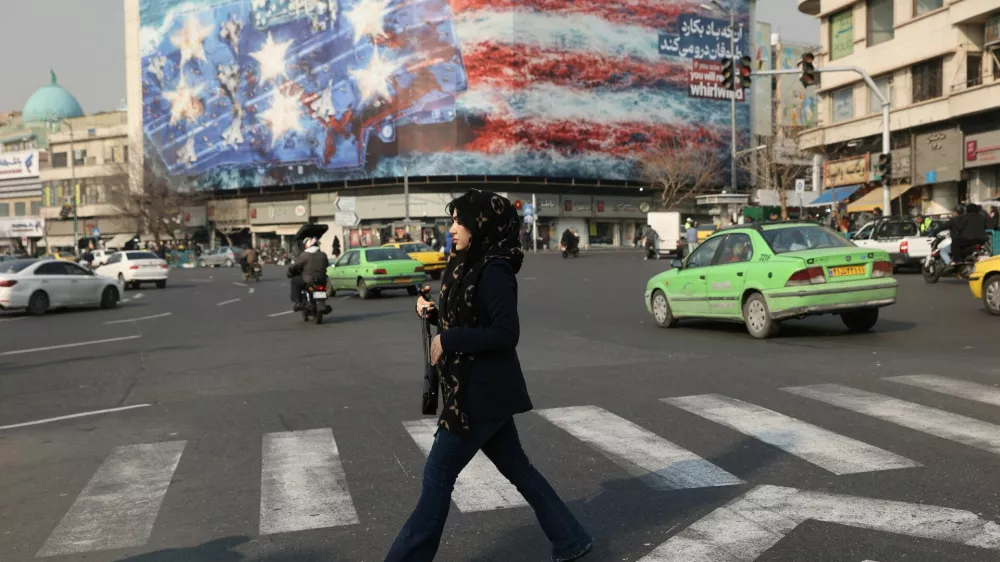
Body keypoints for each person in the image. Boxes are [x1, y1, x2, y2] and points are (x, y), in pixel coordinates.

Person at [387, 190, 592, 562]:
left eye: (458, 220)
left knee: (437, 478)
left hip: (478, 395)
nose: (452, 228)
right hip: (478, 391)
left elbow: (505, 333)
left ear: (480, 224)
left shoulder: (495, 269)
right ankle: (571, 539)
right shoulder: (468, 263)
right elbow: (465, 319)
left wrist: (448, 338)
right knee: (520, 471)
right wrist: (431, 313)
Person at [287, 237, 330, 311]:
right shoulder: (323, 255)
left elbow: (296, 266)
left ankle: (298, 302)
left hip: (308, 280)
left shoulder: (305, 255)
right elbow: (326, 264)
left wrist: (290, 271)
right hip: (322, 279)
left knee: (294, 281)